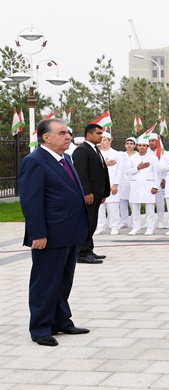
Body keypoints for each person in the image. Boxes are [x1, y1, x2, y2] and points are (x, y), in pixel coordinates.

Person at [18, 118, 91, 347]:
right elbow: (31, 202)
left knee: (63, 281)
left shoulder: (65, 158)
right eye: (62, 133)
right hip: (49, 235)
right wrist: (38, 234)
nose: (68, 136)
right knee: (45, 283)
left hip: (69, 232)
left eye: (68, 132)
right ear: (46, 137)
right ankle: (40, 328)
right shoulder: (35, 161)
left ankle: (61, 320)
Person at [72, 123, 110, 264]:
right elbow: (81, 174)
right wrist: (87, 192)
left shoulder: (94, 149)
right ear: (89, 134)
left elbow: (101, 171)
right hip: (89, 195)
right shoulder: (82, 150)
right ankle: (82, 253)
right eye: (98, 134)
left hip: (97, 193)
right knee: (87, 223)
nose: (101, 136)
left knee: (92, 222)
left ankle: (88, 249)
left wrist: (104, 192)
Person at [127, 138, 159, 235]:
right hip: (135, 185)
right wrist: (138, 168)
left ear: (147, 147)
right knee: (135, 208)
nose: (141, 147)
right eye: (140, 145)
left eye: (144, 146)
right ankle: (136, 227)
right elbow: (127, 171)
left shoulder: (153, 158)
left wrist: (155, 186)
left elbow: (156, 173)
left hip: (148, 185)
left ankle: (150, 227)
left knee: (149, 208)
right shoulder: (132, 158)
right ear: (137, 146)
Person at [95, 131, 123, 235]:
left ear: (110, 140)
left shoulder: (117, 154)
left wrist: (116, 184)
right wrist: (104, 164)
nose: (102, 142)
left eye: (105, 140)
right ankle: (101, 226)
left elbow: (120, 170)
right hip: (99, 184)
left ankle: (114, 226)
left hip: (111, 183)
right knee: (100, 207)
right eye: (101, 139)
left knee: (113, 206)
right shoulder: (96, 153)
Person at [148, 133, 167, 228]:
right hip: (147, 181)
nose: (151, 143)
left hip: (160, 181)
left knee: (160, 203)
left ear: (157, 141)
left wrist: (164, 179)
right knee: (148, 203)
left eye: (153, 141)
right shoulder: (145, 153)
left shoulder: (163, 153)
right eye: (150, 141)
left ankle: (161, 221)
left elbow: (166, 167)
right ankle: (149, 222)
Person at [118, 137, 137, 229]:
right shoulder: (121, 155)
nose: (129, 145)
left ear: (134, 145)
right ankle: (123, 221)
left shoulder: (137, 156)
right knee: (122, 202)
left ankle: (134, 222)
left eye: (131, 143)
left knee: (133, 203)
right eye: (127, 143)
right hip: (122, 182)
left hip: (134, 181)